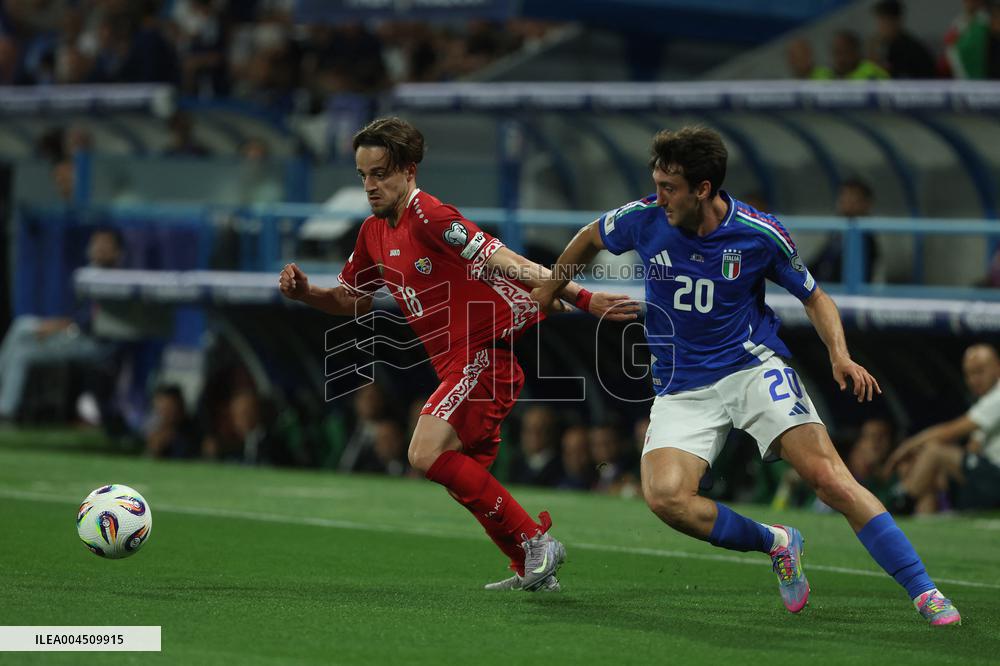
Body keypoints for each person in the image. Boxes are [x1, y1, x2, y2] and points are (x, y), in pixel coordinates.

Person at [531, 126, 961, 626]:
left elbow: (815, 296)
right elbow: (589, 237)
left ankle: (925, 591)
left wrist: (839, 355)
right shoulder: (644, 218)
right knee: (667, 499)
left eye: (669, 188)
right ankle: (776, 541)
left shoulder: (759, 233)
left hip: (751, 369)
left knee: (829, 480)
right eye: (657, 184)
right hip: (680, 385)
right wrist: (549, 292)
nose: (659, 197)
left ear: (703, 188)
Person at [279, 116, 637, 592]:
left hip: (484, 356)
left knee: (424, 452)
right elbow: (351, 300)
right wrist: (306, 293)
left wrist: (584, 298)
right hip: (454, 364)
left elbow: (508, 260)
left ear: (408, 170)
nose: (370, 186)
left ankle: (537, 541)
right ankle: (527, 565)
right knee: (455, 473)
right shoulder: (372, 232)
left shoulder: (431, 216)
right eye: (363, 175)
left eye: (380, 173)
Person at [0, 228, 122, 421]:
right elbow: (76, 317)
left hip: (95, 345)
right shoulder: (88, 274)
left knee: (22, 351)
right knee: (21, 326)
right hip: (76, 336)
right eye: (96, 243)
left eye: (105, 245)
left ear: (117, 252)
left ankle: (5, 410)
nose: (99, 248)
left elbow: (86, 323)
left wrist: (53, 329)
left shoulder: (117, 281)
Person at [885, 344, 1000, 514]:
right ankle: (920, 520)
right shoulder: (984, 401)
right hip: (985, 477)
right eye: (969, 374)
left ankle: (899, 504)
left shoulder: (997, 397)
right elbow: (973, 450)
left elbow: (949, 432)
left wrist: (905, 448)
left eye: (980, 371)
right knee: (929, 465)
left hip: (995, 477)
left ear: (997, 367)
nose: (974, 380)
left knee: (934, 452)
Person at [809, 177, 879, 284]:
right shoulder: (838, 233)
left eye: (852, 198)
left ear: (866, 204)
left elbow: (863, 277)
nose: (846, 202)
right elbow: (820, 261)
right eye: (843, 197)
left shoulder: (866, 237)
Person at [871, 0, 936, 79]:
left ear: (895, 21)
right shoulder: (882, 45)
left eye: (883, 21)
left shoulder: (911, 49)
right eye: (879, 21)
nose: (879, 27)